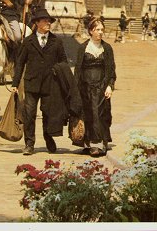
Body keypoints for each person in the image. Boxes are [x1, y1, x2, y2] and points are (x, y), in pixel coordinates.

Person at [11, 8, 68, 155]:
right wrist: (15, 84)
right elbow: (20, 63)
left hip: (50, 84)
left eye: (49, 21)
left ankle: (48, 138)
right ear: (37, 23)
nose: (48, 23)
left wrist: (58, 71)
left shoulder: (57, 41)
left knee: (48, 113)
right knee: (29, 114)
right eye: (45, 20)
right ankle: (29, 144)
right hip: (32, 83)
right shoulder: (28, 41)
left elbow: (63, 62)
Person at [75, 18, 116, 157]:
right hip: (85, 88)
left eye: (102, 30)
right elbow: (78, 70)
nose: (100, 32)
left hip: (101, 87)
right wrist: (76, 90)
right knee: (88, 114)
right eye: (97, 30)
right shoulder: (82, 48)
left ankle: (98, 144)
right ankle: (87, 143)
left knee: (100, 114)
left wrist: (110, 86)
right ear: (91, 31)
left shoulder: (107, 48)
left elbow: (111, 69)